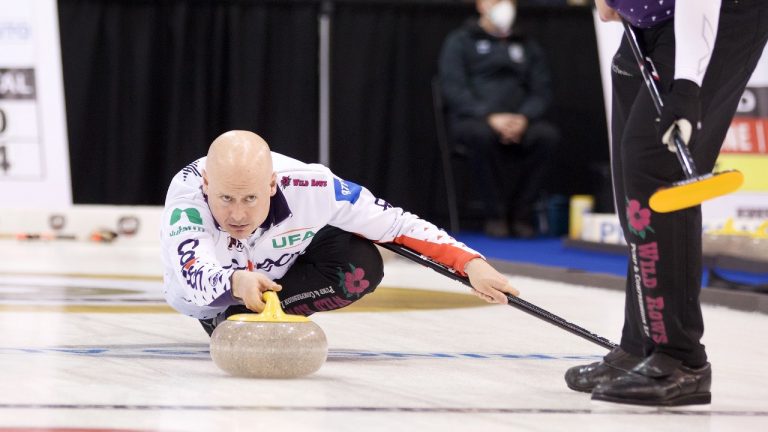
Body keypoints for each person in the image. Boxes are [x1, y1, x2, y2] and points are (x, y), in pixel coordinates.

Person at [565, 0, 768, 406]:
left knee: (655, 166)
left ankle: (681, 360)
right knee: (633, 185)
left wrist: (688, 84)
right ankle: (640, 346)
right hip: (650, 17)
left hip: (718, 12)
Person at [161, 130, 520, 335]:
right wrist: (236, 284)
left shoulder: (314, 185)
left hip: (279, 271)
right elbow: (195, 275)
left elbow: (396, 225)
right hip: (211, 296)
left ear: (272, 184)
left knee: (360, 264)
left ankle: (256, 317)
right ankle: (226, 317)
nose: (237, 214)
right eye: (225, 198)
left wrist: (470, 263)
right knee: (201, 296)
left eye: (250, 198)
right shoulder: (187, 200)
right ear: (207, 185)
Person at [438, 0, 559, 238]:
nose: (503, 5)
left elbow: (542, 90)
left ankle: (521, 213)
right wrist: (489, 116)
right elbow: (453, 88)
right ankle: (496, 214)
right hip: (476, 119)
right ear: (480, 5)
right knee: (480, 136)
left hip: (520, 119)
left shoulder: (526, 44)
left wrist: (524, 117)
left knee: (547, 137)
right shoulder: (460, 41)